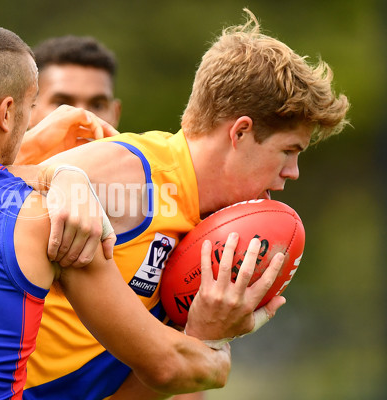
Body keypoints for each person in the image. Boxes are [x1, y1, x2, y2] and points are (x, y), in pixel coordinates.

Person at [0, 22, 284, 400]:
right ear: (7, 113)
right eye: (31, 110)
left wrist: (47, 163)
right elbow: (170, 369)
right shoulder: (47, 219)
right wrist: (211, 332)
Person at [22, 9, 350, 400]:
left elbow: (143, 384)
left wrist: (204, 339)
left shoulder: (214, 225)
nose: (293, 171)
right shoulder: (127, 174)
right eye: (288, 151)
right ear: (241, 132)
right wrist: (40, 164)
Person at [14, 35, 121, 165]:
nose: (82, 117)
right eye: (62, 103)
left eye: (97, 105)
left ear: (116, 113)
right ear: (28, 110)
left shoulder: (146, 181)